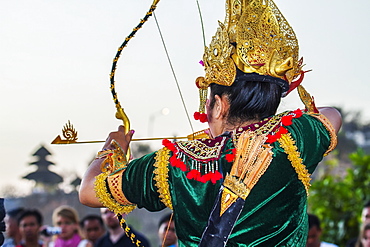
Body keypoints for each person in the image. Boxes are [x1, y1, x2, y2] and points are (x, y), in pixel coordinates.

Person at [79, 0, 342, 245]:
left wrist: (111, 149)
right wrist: (262, 127)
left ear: (219, 105)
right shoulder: (292, 138)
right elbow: (332, 115)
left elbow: (89, 192)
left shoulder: (176, 161)